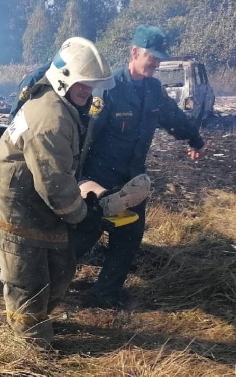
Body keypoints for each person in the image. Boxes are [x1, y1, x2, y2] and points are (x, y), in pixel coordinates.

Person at [0, 37, 115, 348]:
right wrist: (81, 216)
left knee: (60, 271)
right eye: (83, 84)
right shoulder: (51, 118)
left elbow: (57, 176)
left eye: (91, 85)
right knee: (26, 285)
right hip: (17, 211)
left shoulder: (62, 104)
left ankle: (39, 320)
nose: (88, 91)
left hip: (38, 205)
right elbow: (54, 183)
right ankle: (31, 350)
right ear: (64, 79)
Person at [75, 24, 206, 309]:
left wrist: (195, 139)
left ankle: (105, 295)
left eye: (160, 58)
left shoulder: (154, 89)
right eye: (152, 56)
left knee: (128, 238)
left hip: (133, 181)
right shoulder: (109, 88)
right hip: (100, 180)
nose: (156, 63)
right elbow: (86, 135)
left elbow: (173, 118)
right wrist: (79, 179)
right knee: (83, 237)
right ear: (134, 52)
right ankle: (50, 287)